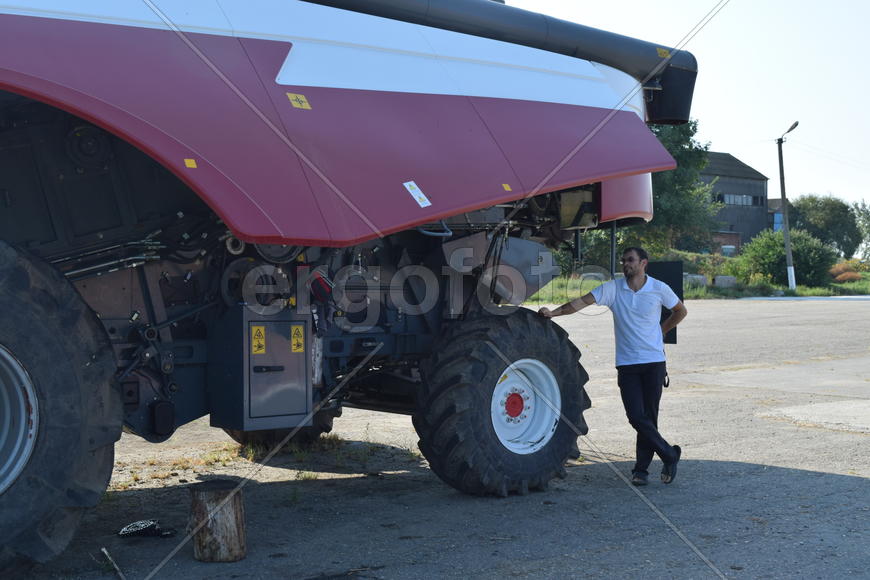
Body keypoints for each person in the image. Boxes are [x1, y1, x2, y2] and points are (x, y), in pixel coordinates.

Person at [539, 247, 687, 485]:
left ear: (643, 264)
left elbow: (680, 310)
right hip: (627, 364)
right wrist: (554, 313)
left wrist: (662, 330)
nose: (625, 264)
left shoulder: (658, 288)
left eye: (630, 260)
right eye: (623, 260)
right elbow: (581, 302)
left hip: (653, 362)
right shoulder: (614, 289)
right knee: (636, 416)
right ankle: (669, 454)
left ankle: (641, 470)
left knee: (649, 417)